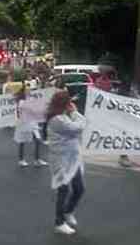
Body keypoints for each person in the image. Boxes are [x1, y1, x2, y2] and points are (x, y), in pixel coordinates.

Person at [46, 90, 86, 235]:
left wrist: (72, 114)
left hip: (71, 159)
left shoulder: (62, 116)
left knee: (79, 188)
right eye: (68, 102)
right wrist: (75, 113)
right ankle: (59, 222)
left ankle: (68, 211)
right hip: (61, 160)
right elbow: (78, 128)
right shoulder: (57, 119)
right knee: (63, 190)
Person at [14, 85, 48, 167]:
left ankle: (37, 160)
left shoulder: (31, 99)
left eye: (30, 90)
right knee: (22, 141)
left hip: (32, 124)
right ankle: (21, 160)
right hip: (24, 124)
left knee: (37, 140)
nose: (29, 91)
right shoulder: (21, 101)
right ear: (24, 91)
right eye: (27, 90)